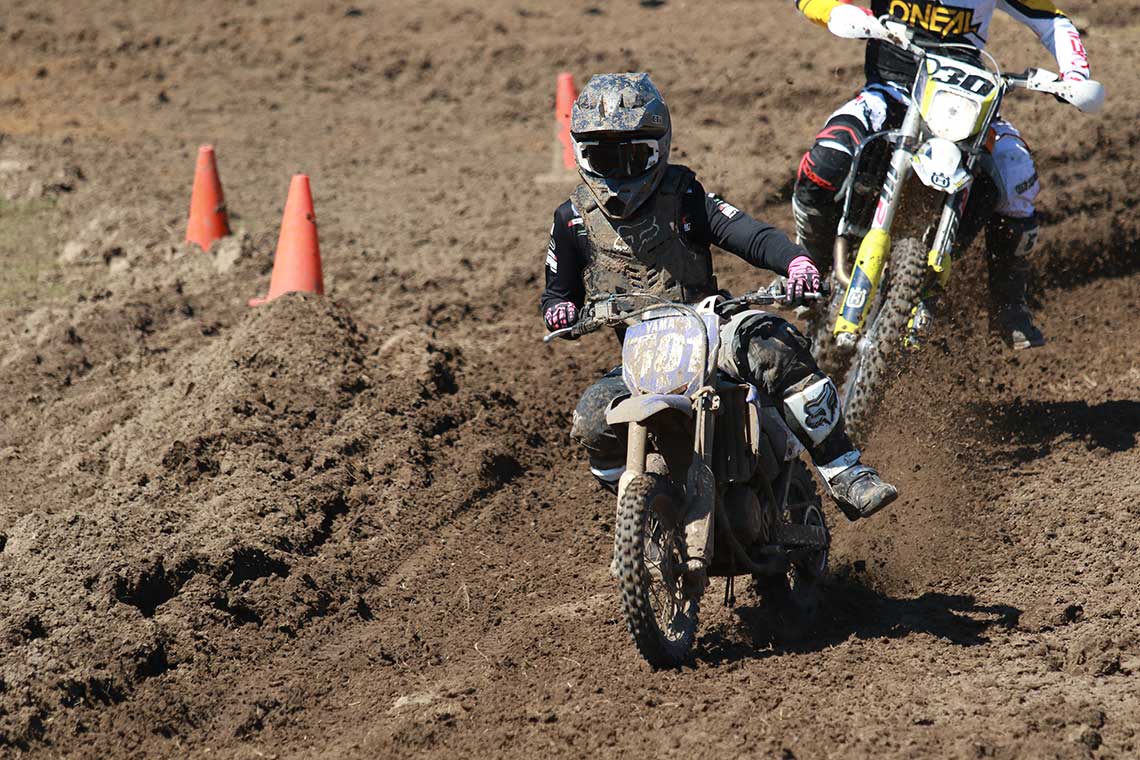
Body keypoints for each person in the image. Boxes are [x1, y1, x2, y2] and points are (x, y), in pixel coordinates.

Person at [540, 72, 897, 521]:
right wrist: (560, 311)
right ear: (580, 153)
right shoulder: (571, 220)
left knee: (774, 348)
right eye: (604, 158)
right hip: (641, 358)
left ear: (660, 148)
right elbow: (557, 294)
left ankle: (845, 470)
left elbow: (746, 233)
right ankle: (646, 510)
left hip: (709, 330)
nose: (620, 174)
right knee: (592, 419)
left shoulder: (684, 194)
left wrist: (795, 262)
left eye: (635, 157)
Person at [791, 0, 1092, 350]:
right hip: (891, 91)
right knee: (826, 160)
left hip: (964, 102)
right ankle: (808, 268)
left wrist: (1074, 75)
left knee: (1016, 172)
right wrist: (837, 12)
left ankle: (1009, 306)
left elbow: (1051, 20)